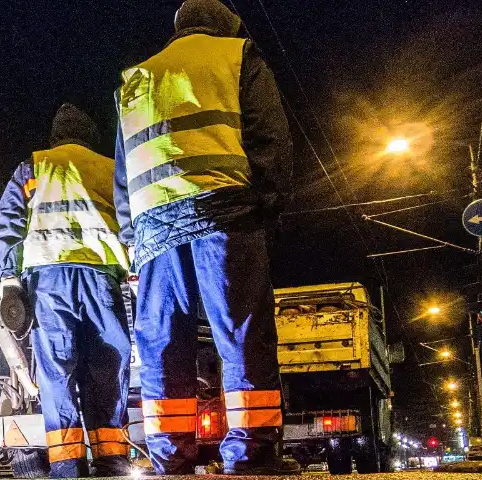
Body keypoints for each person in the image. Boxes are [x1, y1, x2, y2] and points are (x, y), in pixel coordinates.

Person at [112, 0, 294, 475]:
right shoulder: (238, 55)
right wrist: (267, 205)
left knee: (162, 343)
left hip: (154, 233)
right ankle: (251, 453)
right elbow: (269, 138)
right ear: (225, 25)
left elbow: (124, 172)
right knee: (241, 331)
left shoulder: (137, 79)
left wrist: (134, 238)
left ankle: (171, 456)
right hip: (225, 213)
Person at [0, 104, 133, 477]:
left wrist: (8, 281)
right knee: (107, 369)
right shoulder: (109, 167)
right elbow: (131, 220)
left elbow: (7, 223)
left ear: (55, 136)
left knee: (56, 375)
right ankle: (111, 462)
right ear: (90, 135)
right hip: (101, 279)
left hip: (49, 285)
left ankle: (67, 467)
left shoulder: (33, 168)